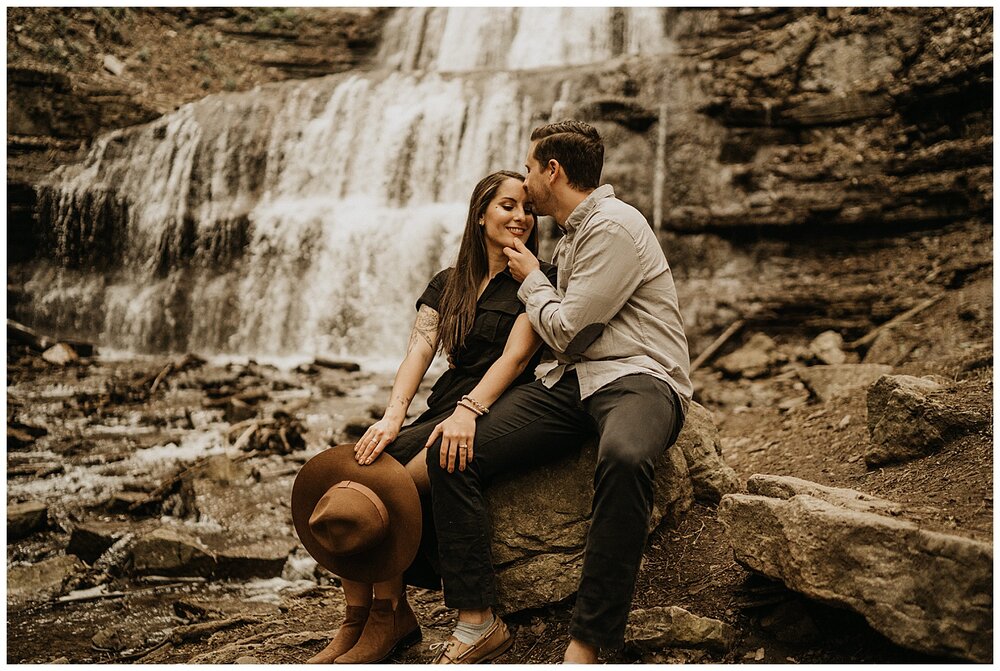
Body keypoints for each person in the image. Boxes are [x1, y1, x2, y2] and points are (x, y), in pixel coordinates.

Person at [426, 121, 693, 664]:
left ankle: (590, 638)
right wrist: (467, 408)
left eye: (528, 168)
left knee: (623, 457)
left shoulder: (614, 226)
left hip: (637, 377)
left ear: (553, 171)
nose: (525, 181)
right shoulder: (573, 233)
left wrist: (529, 277)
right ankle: (478, 620)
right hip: (571, 381)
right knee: (453, 451)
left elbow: (569, 328)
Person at [303, 170, 557, 664]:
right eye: (508, 206)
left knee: (384, 484)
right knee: (350, 472)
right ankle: (360, 616)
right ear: (480, 212)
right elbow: (419, 350)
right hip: (444, 405)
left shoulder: (535, 278)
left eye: (527, 209)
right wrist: (391, 417)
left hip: (498, 404)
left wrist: (470, 411)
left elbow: (516, 359)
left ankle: (388, 619)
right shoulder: (448, 283)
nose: (521, 217)